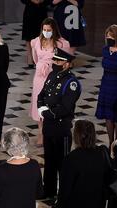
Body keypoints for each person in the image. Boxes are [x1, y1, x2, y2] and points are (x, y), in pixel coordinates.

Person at [37, 48, 81, 200]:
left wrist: (46, 112)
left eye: (59, 61)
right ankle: (48, 191)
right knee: (49, 161)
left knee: (63, 165)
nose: (55, 63)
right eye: (54, 60)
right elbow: (41, 95)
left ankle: (63, 196)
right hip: (49, 127)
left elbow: (65, 107)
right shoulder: (51, 75)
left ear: (67, 64)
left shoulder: (72, 82)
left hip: (61, 129)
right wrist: (40, 107)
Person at [30, 18, 70, 147]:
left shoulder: (61, 43)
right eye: (44, 30)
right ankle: (40, 134)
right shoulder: (36, 41)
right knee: (39, 102)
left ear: (54, 30)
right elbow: (35, 59)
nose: (46, 32)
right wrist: (41, 67)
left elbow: (66, 61)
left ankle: (51, 131)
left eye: (49, 30)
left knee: (51, 102)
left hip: (53, 75)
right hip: (40, 77)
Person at [21, 0, 51, 68]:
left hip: (42, 11)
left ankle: (41, 57)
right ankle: (30, 58)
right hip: (30, 11)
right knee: (28, 35)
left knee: (43, 35)